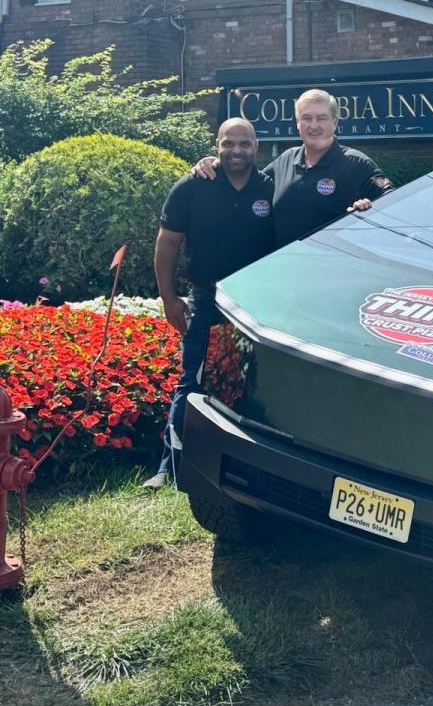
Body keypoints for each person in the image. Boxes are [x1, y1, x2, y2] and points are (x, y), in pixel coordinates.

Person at [145, 118, 275, 489]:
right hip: (207, 299)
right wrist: (169, 299)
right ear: (216, 144)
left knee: (255, 387)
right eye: (228, 143)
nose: (236, 151)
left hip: (257, 307)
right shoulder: (192, 186)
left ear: (256, 146)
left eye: (244, 144)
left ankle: (248, 467)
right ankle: (170, 467)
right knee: (193, 380)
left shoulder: (270, 187)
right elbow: (167, 243)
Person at [196, 88, 393, 245]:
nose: (313, 125)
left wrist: (369, 209)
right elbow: (247, 182)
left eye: (321, 118)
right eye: (306, 118)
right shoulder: (286, 160)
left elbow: (394, 206)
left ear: (335, 122)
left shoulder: (356, 164)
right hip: (285, 274)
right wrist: (216, 163)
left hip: (334, 276)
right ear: (297, 123)